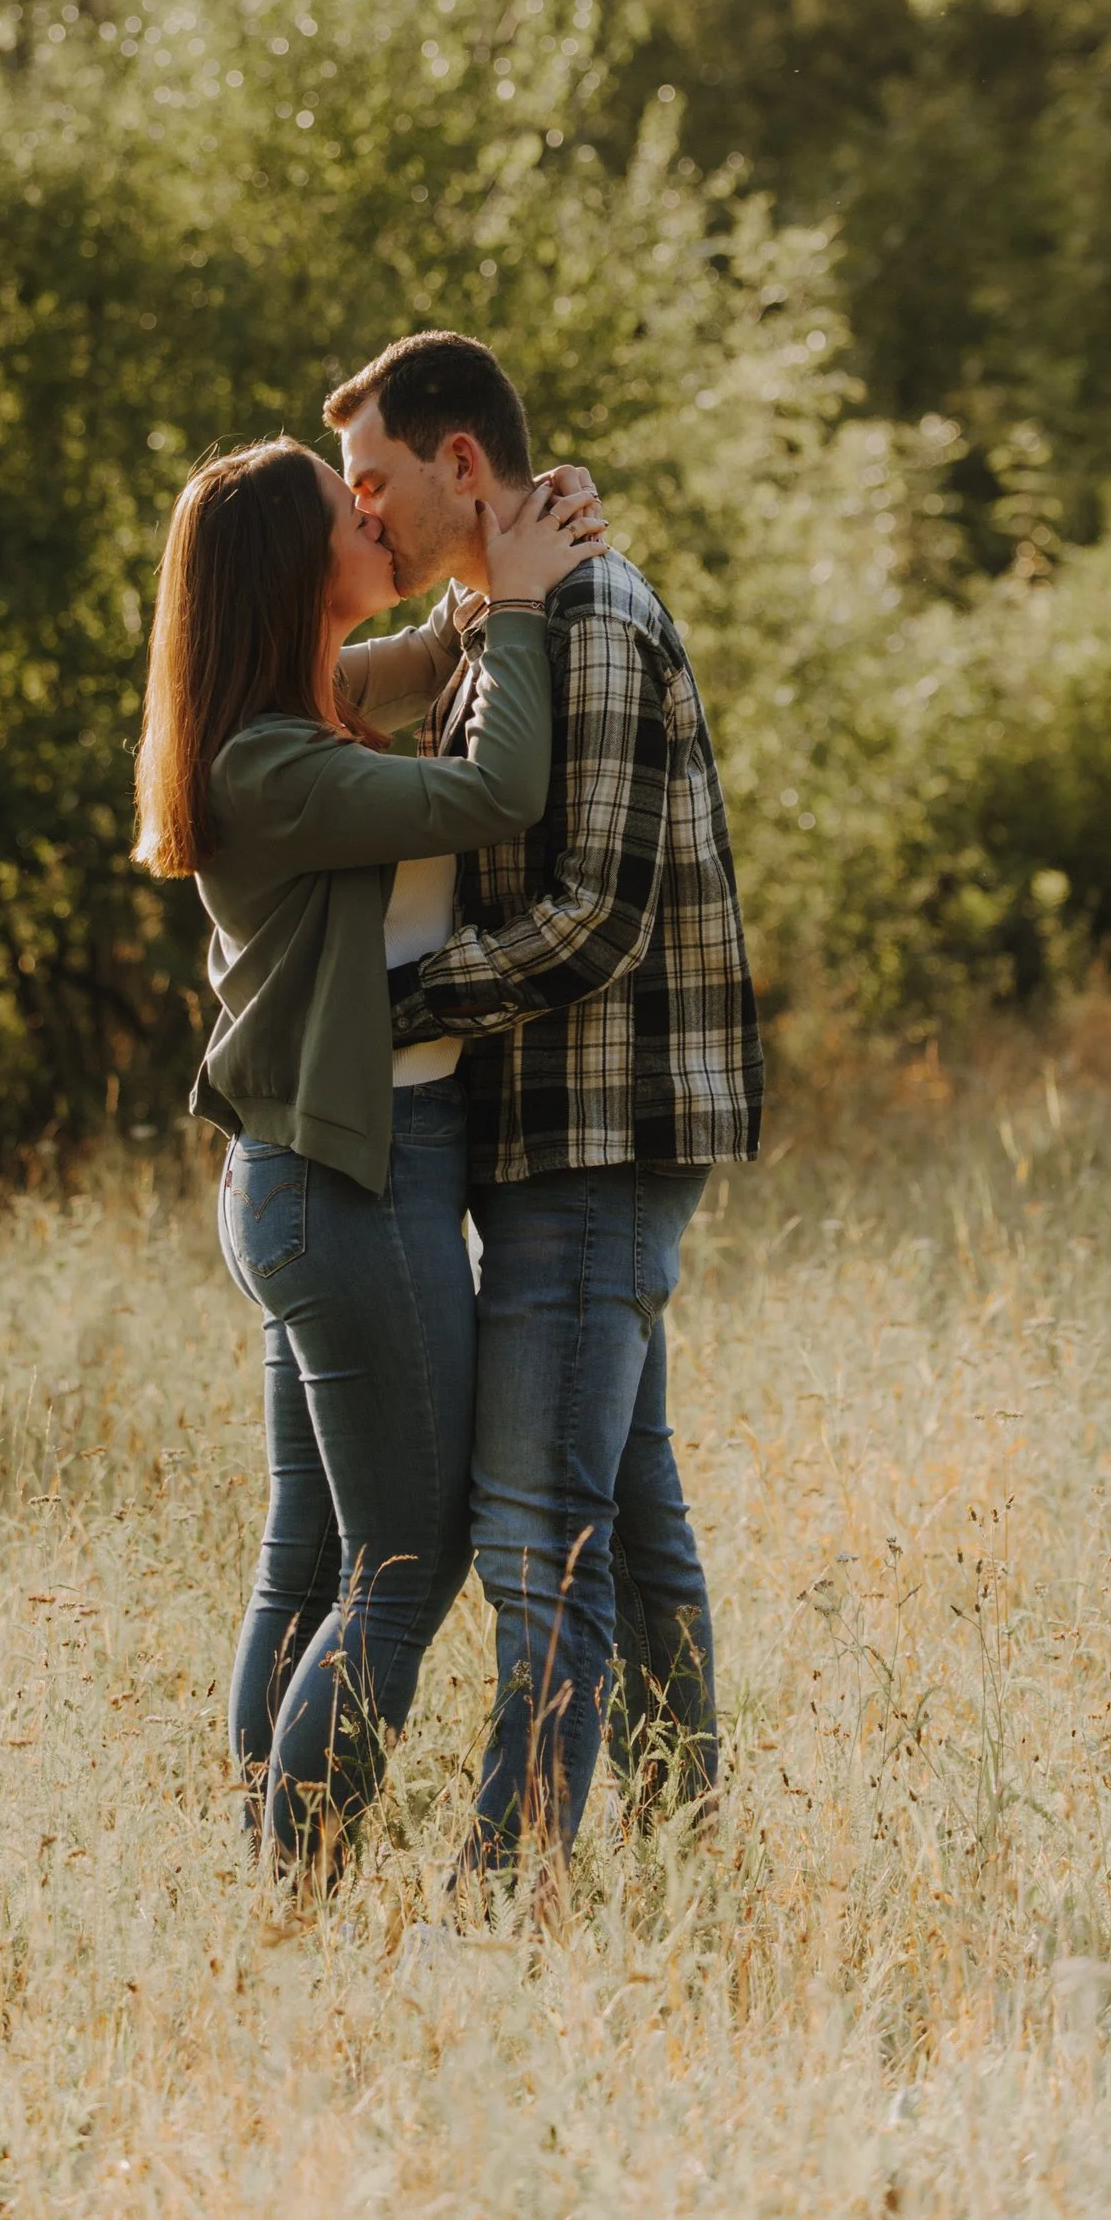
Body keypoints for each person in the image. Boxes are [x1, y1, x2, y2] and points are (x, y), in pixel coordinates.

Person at [328, 329, 763, 1878]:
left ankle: (503, 1892)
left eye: (374, 480)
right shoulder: (506, 611)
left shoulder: (583, 616)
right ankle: (688, 1846)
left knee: (538, 1538)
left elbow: (596, 915)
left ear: (462, 465)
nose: (361, 511)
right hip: (552, 1134)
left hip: (601, 1132)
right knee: (626, 1524)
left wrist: (384, 1013)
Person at [132, 436, 599, 1870]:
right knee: (406, 1566)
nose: (377, 522)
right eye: (353, 515)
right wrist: (518, 614)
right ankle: (298, 1875)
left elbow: (407, 660)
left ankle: (265, 1860)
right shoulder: (272, 759)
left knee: (317, 1555)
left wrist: (482, 577)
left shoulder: (293, 705)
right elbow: (494, 793)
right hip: (353, 1180)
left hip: (310, 1181)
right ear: (298, 560)